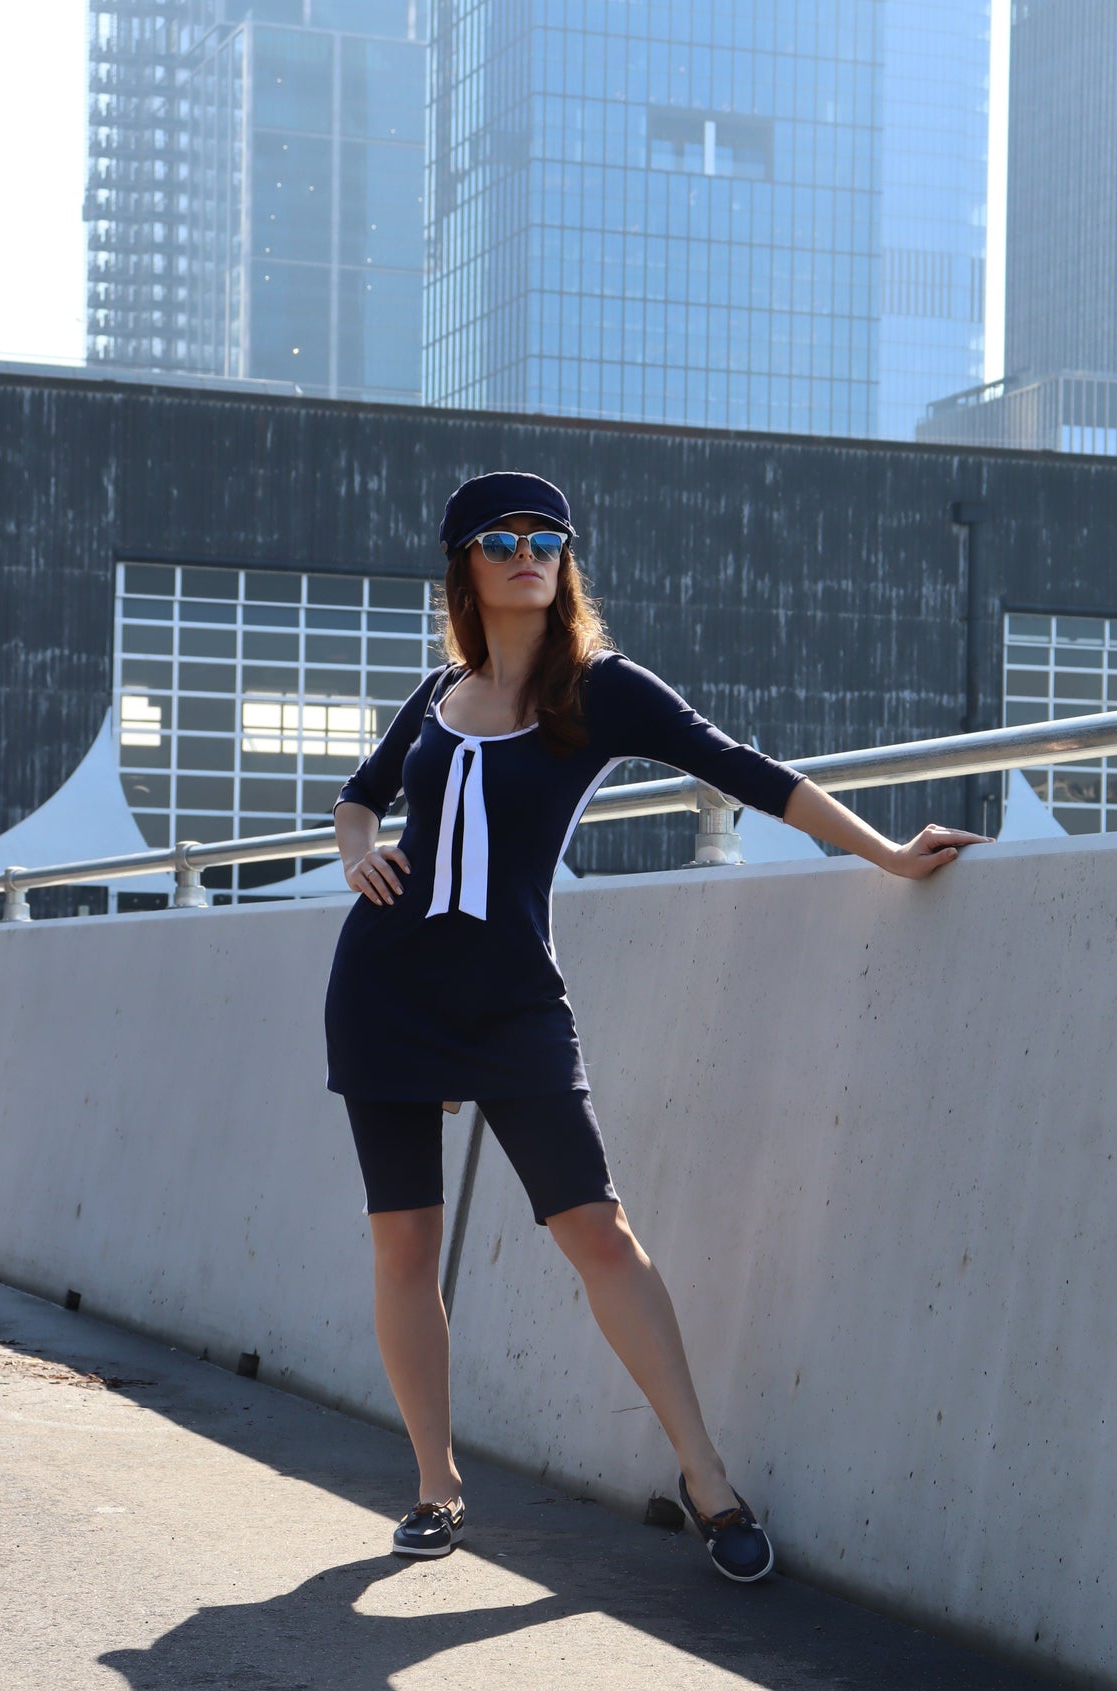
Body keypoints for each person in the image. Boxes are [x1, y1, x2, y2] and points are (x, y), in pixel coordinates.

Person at [326, 470, 988, 1582]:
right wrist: (357, 849)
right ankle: (436, 1486)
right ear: (466, 566)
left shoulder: (603, 689)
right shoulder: (438, 695)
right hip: (386, 994)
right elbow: (361, 793)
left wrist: (880, 852)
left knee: (597, 1231)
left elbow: (745, 770)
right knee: (405, 1244)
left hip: (513, 1005)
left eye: (547, 536)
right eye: (501, 539)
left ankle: (706, 1478)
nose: (527, 551)